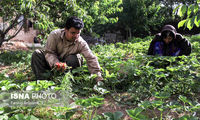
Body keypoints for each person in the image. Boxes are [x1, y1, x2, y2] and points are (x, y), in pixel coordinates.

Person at [31, 16, 103, 83]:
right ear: (65, 29)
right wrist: (56, 64)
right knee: (37, 54)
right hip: (52, 65)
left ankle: (69, 82)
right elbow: (49, 52)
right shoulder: (54, 35)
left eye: (78, 33)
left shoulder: (81, 42)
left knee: (74, 58)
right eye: (73, 33)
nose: (76, 36)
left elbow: (91, 58)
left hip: (68, 66)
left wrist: (98, 77)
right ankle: (44, 81)